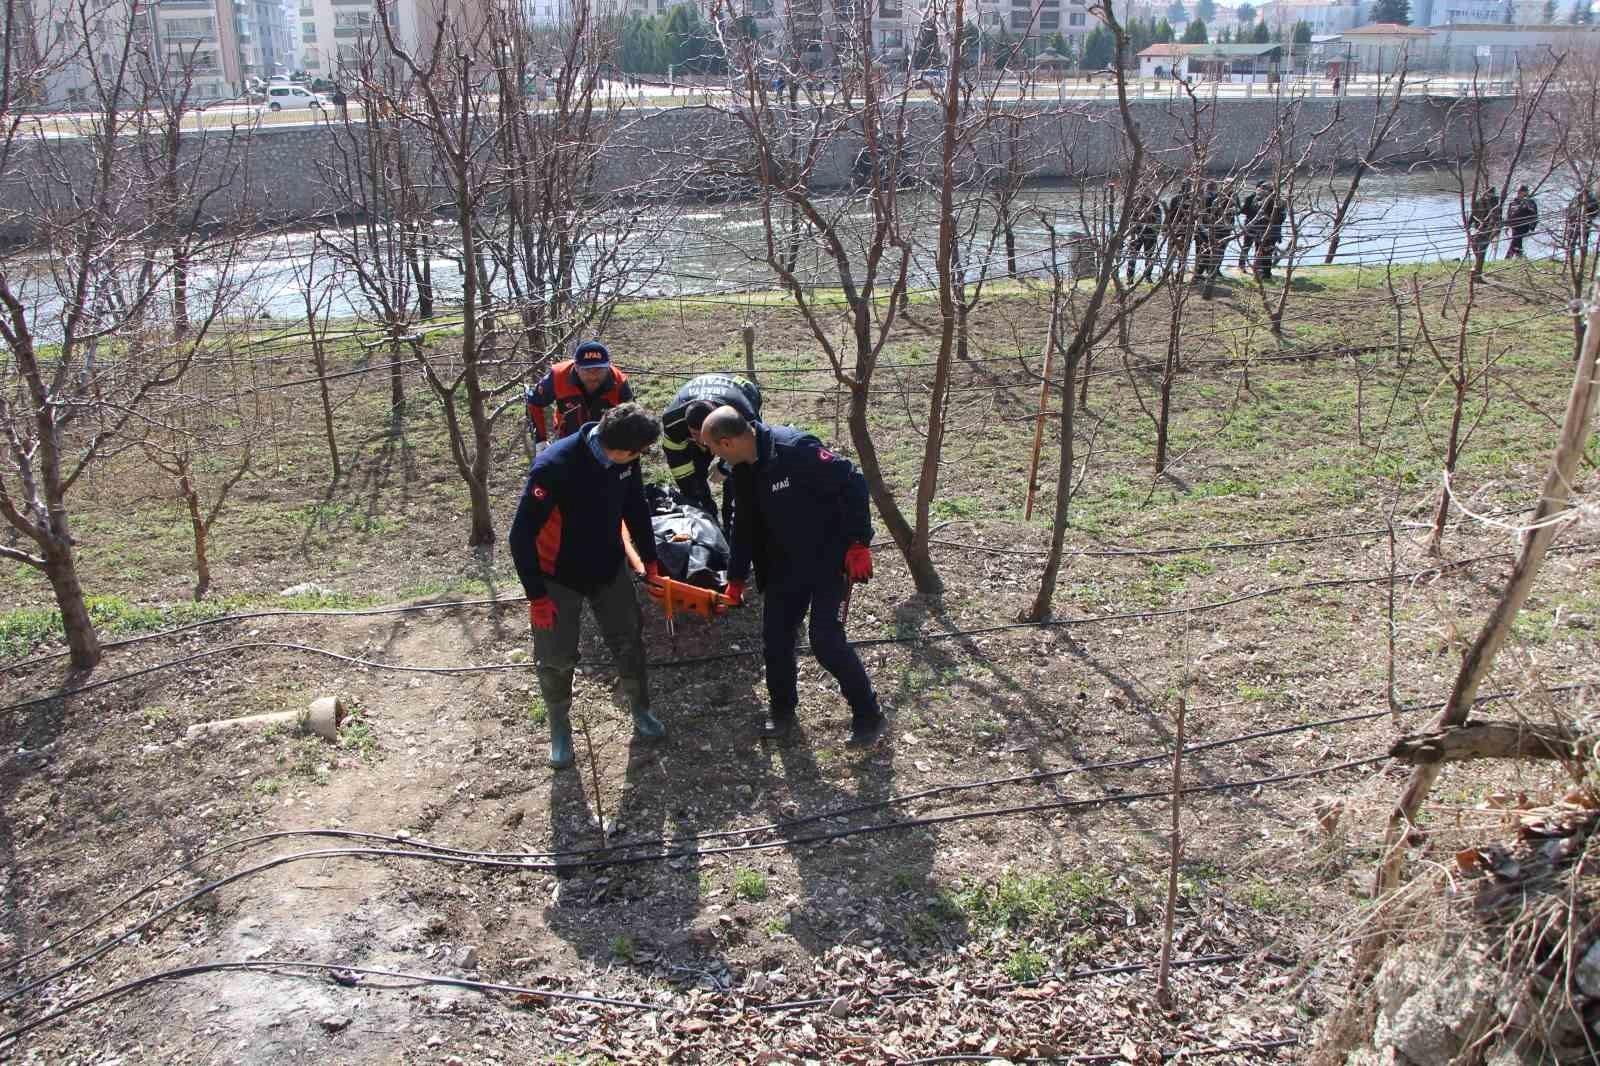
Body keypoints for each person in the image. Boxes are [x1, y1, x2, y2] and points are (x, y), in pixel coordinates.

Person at [700, 406, 884, 747]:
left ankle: (868, 714)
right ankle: (783, 710)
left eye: (712, 448)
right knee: (776, 640)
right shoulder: (742, 469)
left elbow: (853, 482)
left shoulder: (796, 449)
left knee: (826, 641)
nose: (713, 455)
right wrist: (737, 578)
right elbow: (745, 525)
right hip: (783, 566)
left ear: (726, 442)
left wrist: (859, 542)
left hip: (829, 560)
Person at [508, 403, 667, 769]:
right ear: (619, 446)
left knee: (628, 640)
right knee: (556, 656)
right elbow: (520, 536)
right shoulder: (555, 466)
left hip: (608, 568)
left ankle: (640, 710)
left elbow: (635, 507)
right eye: (638, 453)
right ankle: (560, 728)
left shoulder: (626, 458)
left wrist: (651, 562)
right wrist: (536, 596)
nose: (639, 458)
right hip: (557, 576)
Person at [658, 372, 763, 522]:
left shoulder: (742, 414)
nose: (702, 441)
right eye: (694, 434)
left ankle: (732, 521)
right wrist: (694, 495)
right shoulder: (673, 421)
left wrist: (724, 467)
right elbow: (677, 460)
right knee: (695, 481)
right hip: (700, 393)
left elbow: (751, 447)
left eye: (705, 434)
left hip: (743, 390)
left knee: (738, 480)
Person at [524, 340, 634, 451]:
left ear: (608, 367)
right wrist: (540, 440)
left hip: (606, 441)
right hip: (567, 439)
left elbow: (632, 418)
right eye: (587, 371)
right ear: (576, 367)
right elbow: (534, 402)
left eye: (599, 370)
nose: (593, 377)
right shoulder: (558, 376)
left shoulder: (619, 382)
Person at [1468, 186, 1502, 279]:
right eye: (1486, 193)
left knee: (1482, 247)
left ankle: (1478, 267)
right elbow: (1473, 213)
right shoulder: (1479, 201)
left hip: (1489, 228)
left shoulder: (1495, 203)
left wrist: (1497, 229)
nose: (1487, 196)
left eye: (1490, 194)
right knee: (1474, 245)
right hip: (1477, 227)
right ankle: (1477, 264)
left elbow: (1498, 217)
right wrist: (1469, 224)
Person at [1504, 185, 1538, 259]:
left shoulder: (1530, 202)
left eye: (1522, 192)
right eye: (1519, 192)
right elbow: (1509, 215)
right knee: (1516, 241)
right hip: (1514, 225)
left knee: (1516, 239)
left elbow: (1534, 215)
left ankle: (1509, 257)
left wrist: (1532, 227)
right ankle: (1519, 257)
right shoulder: (1513, 203)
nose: (1520, 194)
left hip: (1524, 224)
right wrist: (1507, 226)